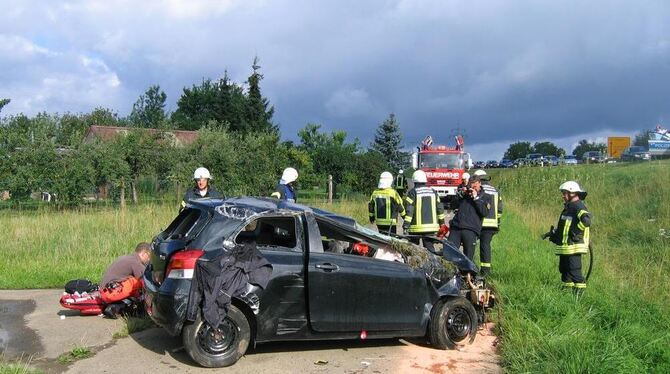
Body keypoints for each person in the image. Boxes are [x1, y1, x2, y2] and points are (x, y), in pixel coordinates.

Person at [547, 181, 591, 293]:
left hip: (574, 246)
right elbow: (565, 226)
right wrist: (555, 235)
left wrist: (575, 232)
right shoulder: (568, 208)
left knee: (574, 271)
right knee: (565, 270)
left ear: (572, 193)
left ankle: (578, 296)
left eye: (565, 193)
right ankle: (567, 292)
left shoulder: (578, 206)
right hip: (565, 247)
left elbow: (586, 221)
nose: (563, 195)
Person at [100, 242, 151, 318]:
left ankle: (115, 307)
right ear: (143, 253)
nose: (149, 259)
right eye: (149, 256)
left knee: (133, 283)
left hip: (104, 292)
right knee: (138, 282)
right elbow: (146, 279)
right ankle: (143, 308)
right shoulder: (135, 262)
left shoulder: (127, 257)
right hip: (111, 292)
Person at [448, 175, 490, 262]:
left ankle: (468, 274)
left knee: (468, 258)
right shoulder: (465, 195)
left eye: (475, 186)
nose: (473, 189)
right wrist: (460, 194)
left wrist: (476, 198)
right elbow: (452, 205)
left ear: (479, 184)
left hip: (471, 229)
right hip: (456, 227)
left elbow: (484, 212)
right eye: (471, 187)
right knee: (449, 253)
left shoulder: (486, 197)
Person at [402, 170, 446, 251]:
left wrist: (405, 225)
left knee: (413, 249)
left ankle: (413, 263)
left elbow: (409, 211)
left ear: (414, 181)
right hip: (431, 228)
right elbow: (440, 209)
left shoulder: (412, 192)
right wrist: (442, 223)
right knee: (430, 248)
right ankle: (433, 263)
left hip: (415, 228)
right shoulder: (433, 192)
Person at [473, 170, 503, 276]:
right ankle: (486, 272)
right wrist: (498, 223)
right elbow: (499, 209)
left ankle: (470, 269)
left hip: (479, 222)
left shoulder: (478, 189)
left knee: (471, 245)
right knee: (485, 246)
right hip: (491, 225)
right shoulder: (495, 190)